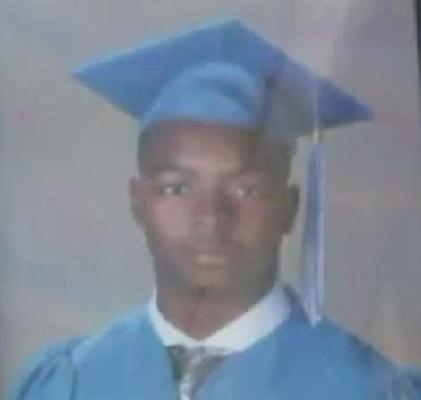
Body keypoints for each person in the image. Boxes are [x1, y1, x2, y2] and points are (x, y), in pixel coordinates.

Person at [9, 19, 421, 400]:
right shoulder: (67, 383)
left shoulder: (365, 388)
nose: (210, 217)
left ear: (290, 207)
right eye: (176, 188)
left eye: (245, 190)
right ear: (138, 201)